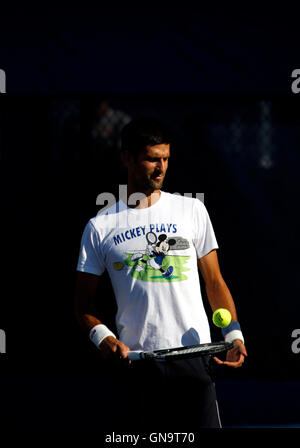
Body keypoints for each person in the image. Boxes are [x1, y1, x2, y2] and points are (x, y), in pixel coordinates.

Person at [75, 116, 247, 429]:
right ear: (127, 157)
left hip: (195, 361)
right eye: (152, 159)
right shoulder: (100, 226)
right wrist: (103, 338)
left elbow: (214, 282)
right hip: (139, 367)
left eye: (166, 158)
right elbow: (82, 306)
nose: (161, 167)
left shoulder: (192, 210)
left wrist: (233, 334)